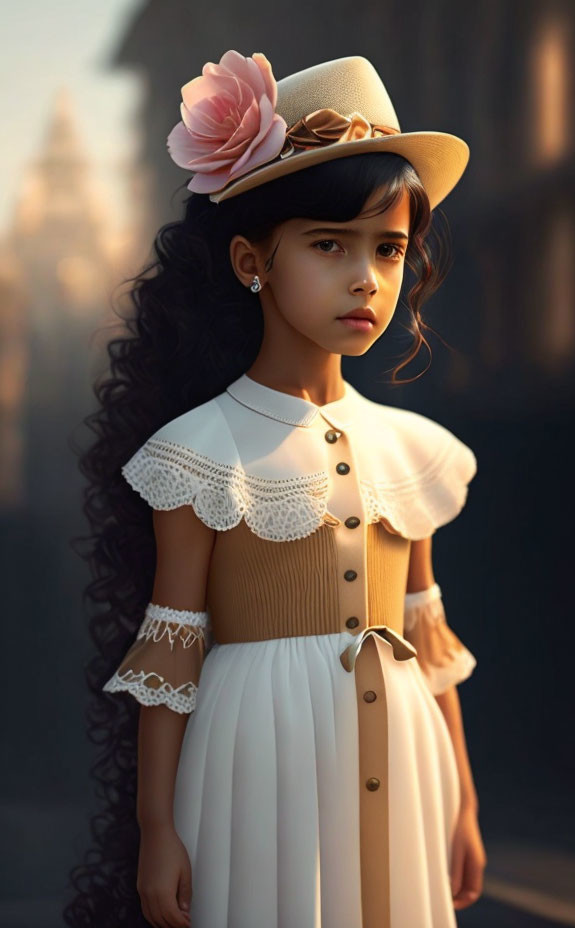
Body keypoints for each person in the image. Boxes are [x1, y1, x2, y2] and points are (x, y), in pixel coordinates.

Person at [65, 50, 486, 928]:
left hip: (407, 755)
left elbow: (426, 636)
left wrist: (466, 804)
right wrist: (156, 828)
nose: (365, 277)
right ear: (253, 260)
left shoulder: (413, 449)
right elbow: (172, 659)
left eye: (389, 248)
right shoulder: (199, 452)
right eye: (329, 245)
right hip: (257, 757)